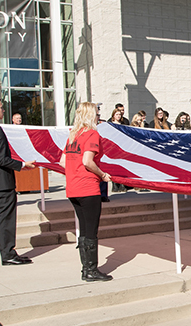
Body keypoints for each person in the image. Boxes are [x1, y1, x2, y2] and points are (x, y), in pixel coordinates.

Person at [0, 97, 36, 266]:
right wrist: (22, 164)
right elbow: (1, 159)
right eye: (2, 108)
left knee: (2, 219)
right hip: (1, 182)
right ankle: (8, 253)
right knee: (6, 220)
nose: (4, 110)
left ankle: (8, 252)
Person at [60, 102, 113, 282]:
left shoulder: (72, 136)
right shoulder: (92, 134)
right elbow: (88, 161)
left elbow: (62, 162)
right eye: (97, 114)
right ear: (91, 116)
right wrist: (103, 174)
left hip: (73, 188)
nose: (99, 117)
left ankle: (86, 269)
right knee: (91, 231)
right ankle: (91, 270)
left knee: (83, 230)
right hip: (87, 187)